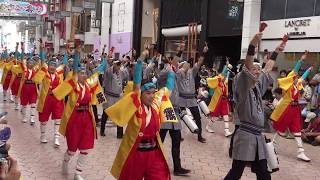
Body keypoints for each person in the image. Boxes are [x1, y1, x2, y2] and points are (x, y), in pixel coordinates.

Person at [105, 50, 173, 180]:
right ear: (141, 94)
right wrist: (141, 59)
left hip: (153, 153)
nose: (152, 96)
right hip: (136, 154)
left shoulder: (156, 104)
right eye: (148, 93)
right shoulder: (136, 106)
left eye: (153, 92)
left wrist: (171, 73)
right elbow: (136, 83)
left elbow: (168, 89)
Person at [225, 32, 284, 180]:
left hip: (258, 137)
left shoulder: (257, 87)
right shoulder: (242, 84)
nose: (257, 71)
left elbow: (267, 69)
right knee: (236, 173)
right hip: (245, 135)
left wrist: (276, 52)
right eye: (254, 69)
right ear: (246, 72)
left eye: (258, 69)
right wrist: (252, 45)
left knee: (264, 174)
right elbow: (247, 66)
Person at [53, 46, 106, 180]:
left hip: (87, 118)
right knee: (72, 148)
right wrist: (77, 53)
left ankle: (78, 172)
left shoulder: (89, 85)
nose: (84, 75)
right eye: (81, 73)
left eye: (85, 73)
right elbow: (75, 69)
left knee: (86, 146)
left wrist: (105, 58)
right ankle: (66, 160)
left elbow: (99, 71)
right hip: (74, 118)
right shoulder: (72, 85)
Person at [271, 52, 312, 162]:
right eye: (295, 75)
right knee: (281, 128)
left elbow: (302, 78)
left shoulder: (297, 84)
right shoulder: (288, 85)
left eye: (297, 76)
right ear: (291, 77)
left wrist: (308, 70)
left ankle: (301, 152)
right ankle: (272, 146)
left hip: (295, 110)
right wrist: (300, 61)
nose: (297, 77)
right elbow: (295, 71)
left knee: (297, 130)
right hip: (287, 109)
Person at [158, 50, 191, 176]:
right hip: (165, 109)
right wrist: (178, 53)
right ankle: (155, 164)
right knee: (159, 140)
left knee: (176, 140)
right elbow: (173, 66)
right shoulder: (164, 73)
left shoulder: (174, 72)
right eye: (174, 62)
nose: (177, 65)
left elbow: (180, 67)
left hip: (175, 111)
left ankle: (177, 167)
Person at [32, 43, 66, 146]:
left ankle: (56, 137)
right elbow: (43, 62)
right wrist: (42, 50)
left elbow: (64, 63)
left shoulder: (59, 73)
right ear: (48, 66)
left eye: (54, 65)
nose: (52, 67)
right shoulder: (45, 73)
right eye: (51, 65)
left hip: (57, 99)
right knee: (44, 118)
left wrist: (68, 54)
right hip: (46, 99)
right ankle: (43, 135)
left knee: (58, 118)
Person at [175, 48, 207, 143]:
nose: (187, 65)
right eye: (184, 64)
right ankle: (178, 136)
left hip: (192, 99)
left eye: (187, 64)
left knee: (198, 117)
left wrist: (203, 52)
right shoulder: (178, 73)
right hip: (181, 98)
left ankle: (200, 136)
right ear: (181, 66)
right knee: (179, 118)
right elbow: (175, 64)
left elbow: (199, 62)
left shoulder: (192, 72)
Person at [100, 56, 129, 138]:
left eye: (119, 65)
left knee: (119, 115)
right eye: (117, 64)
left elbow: (126, 77)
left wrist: (124, 64)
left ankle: (119, 134)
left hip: (118, 97)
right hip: (109, 96)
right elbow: (108, 72)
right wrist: (113, 65)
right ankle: (102, 130)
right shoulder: (109, 72)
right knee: (105, 113)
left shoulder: (121, 72)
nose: (118, 66)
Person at [206, 64, 232, 137]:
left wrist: (228, 69)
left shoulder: (225, 81)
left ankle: (226, 131)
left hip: (224, 100)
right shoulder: (218, 79)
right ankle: (208, 126)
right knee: (215, 116)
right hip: (218, 101)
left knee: (226, 115)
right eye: (226, 72)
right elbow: (211, 81)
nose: (227, 75)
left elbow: (226, 77)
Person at [16, 57, 39, 125]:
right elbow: (21, 62)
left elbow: (42, 64)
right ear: (27, 64)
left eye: (32, 63)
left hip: (33, 88)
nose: (31, 64)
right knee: (24, 104)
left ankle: (32, 118)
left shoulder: (35, 69)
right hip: (25, 88)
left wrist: (41, 50)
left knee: (33, 104)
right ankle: (24, 117)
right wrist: (22, 49)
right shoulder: (24, 69)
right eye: (29, 63)